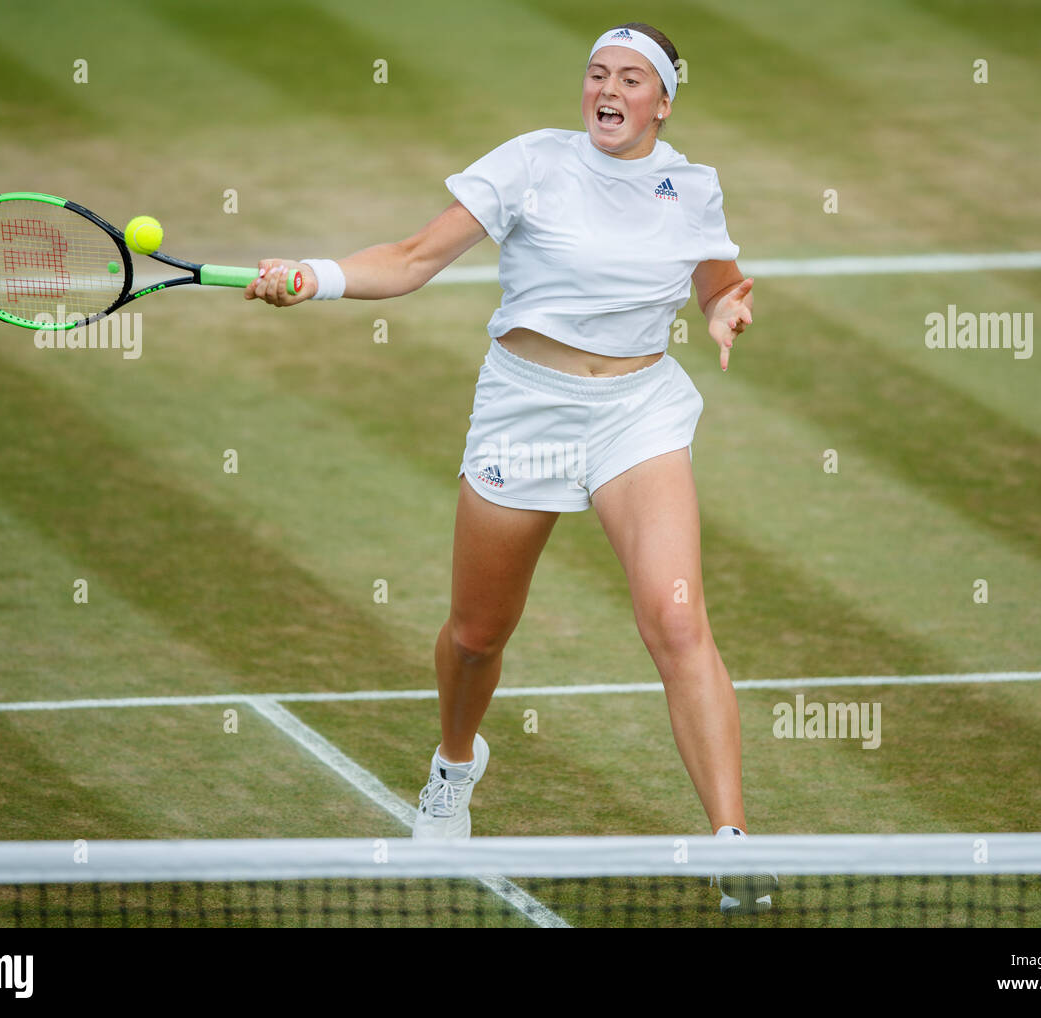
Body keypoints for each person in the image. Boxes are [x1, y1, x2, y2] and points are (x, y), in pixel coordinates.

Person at [247, 22, 775, 914]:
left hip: (637, 414)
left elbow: (717, 273)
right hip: (526, 412)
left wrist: (726, 306)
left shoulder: (690, 185)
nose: (608, 89)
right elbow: (412, 261)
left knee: (677, 624)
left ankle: (733, 843)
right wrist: (315, 274)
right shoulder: (532, 163)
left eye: (631, 78)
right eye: (597, 74)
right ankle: (455, 763)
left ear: (664, 100)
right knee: (478, 635)